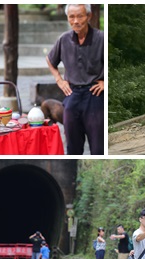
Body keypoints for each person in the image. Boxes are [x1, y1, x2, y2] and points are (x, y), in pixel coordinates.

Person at [47, 4, 104, 155]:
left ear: (89, 16)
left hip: (95, 95)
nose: (76, 21)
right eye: (72, 17)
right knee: (72, 146)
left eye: (80, 16)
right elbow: (50, 60)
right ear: (68, 18)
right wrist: (59, 80)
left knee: (98, 147)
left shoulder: (101, 38)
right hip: (72, 95)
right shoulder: (64, 39)